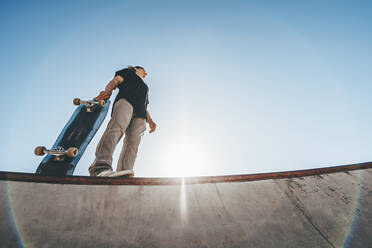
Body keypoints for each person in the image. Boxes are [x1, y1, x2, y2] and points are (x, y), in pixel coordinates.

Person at [88, 66, 156, 177]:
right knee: (116, 130)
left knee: (133, 144)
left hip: (140, 114)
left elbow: (144, 105)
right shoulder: (127, 72)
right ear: (136, 68)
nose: (146, 73)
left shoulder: (145, 87)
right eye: (144, 71)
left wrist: (151, 121)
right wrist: (107, 92)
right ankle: (100, 167)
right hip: (126, 101)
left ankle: (124, 172)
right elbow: (115, 81)